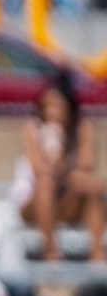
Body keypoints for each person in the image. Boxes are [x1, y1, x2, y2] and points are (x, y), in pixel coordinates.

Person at [11, 74, 105, 262]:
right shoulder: (33, 128)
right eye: (46, 106)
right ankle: (50, 251)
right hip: (34, 202)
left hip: (67, 200)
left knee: (92, 188)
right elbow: (40, 171)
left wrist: (61, 161)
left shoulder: (82, 128)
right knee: (47, 183)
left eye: (57, 106)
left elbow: (87, 165)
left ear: (70, 109)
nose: (51, 112)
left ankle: (97, 253)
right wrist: (55, 151)